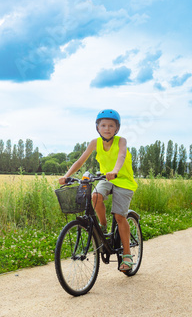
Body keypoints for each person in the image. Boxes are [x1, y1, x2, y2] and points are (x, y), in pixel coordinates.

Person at [59, 109, 138, 273]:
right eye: (103, 125)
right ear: (97, 128)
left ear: (116, 128)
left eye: (111, 125)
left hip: (123, 180)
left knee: (119, 215)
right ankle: (102, 227)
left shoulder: (121, 141)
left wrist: (115, 170)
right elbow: (80, 160)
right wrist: (66, 176)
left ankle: (127, 255)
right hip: (104, 178)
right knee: (95, 195)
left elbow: (121, 156)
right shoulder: (95, 143)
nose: (107, 128)